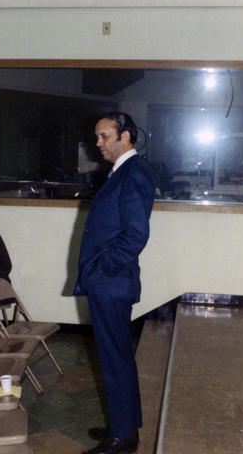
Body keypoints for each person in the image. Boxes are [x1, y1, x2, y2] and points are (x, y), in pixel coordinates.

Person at [73, 112, 155, 454]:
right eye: (97, 136)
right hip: (110, 281)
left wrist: (103, 269)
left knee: (113, 358)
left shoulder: (134, 173)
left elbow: (136, 235)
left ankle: (124, 437)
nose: (98, 143)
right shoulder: (123, 172)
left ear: (126, 137)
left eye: (104, 136)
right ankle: (125, 424)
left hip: (111, 281)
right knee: (118, 355)